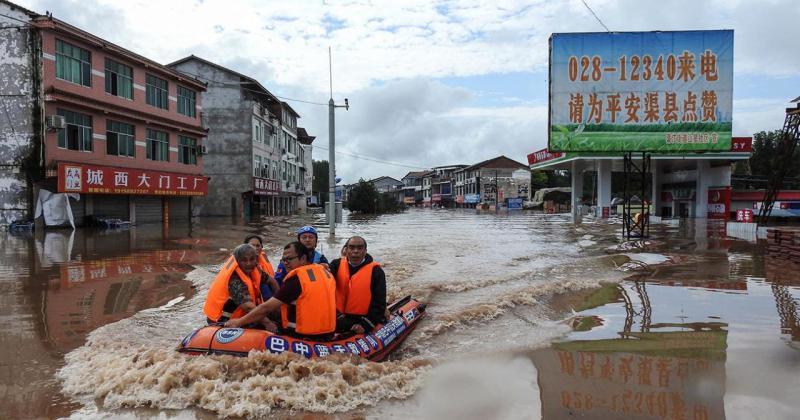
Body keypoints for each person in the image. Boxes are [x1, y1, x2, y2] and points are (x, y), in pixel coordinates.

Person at [225, 242, 337, 340]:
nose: (285, 263)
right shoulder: (324, 271)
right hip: (327, 332)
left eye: (289, 259)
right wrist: (280, 297)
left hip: (302, 334)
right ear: (238, 261)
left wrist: (238, 322)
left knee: (269, 323)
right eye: (284, 260)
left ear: (303, 258)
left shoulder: (296, 280)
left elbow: (265, 308)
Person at [328, 236, 387, 334]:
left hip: (361, 317)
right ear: (346, 250)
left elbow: (379, 303)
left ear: (365, 251)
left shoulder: (376, 272)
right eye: (351, 247)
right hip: (339, 315)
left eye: (360, 248)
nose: (355, 251)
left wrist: (366, 324)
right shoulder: (335, 265)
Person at [204, 243, 265, 325]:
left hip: (239, 316)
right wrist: (267, 322)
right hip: (220, 321)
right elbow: (248, 307)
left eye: (252, 259)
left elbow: (271, 281)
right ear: (237, 261)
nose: (248, 263)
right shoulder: (234, 279)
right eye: (244, 260)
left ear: (256, 259)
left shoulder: (255, 268)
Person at [242, 234, 281, 299]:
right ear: (245, 247)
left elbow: (273, 281)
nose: (255, 248)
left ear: (261, 247)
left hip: (266, 285)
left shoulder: (263, 257)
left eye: (258, 245)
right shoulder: (243, 265)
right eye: (252, 245)